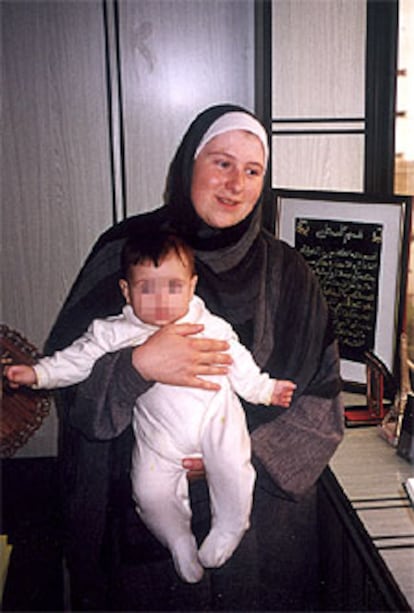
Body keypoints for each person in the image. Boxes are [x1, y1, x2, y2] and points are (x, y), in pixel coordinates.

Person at [45, 104, 344, 610]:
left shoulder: (290, 272)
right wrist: (138, 367)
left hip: (260, 530)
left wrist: (229, 449)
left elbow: (323, 405)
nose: (235, 184)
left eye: (252, 171)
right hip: (141, 523)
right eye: (221, 163)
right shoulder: (128, 251)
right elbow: (70, 383)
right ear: (189, 165)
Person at [6, 232, 296, 584]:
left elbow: (241, 366)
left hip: (216, 421)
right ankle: (177, 539)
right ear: (127, 292)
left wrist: (266, 389)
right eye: (147, 288)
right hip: (160, 436)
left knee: (234, 469)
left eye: (173, 287)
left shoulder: (210, 325)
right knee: (148, 491)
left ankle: (230, 525)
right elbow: (76, 360)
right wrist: (38, 373)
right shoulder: (116, 331)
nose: (161, 300)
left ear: (192, 287)